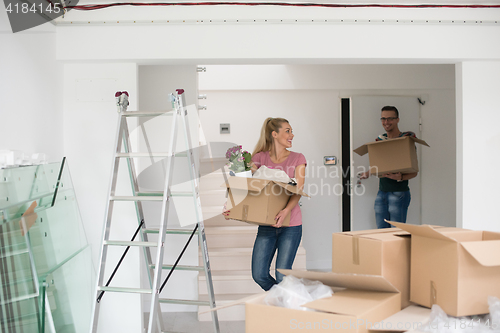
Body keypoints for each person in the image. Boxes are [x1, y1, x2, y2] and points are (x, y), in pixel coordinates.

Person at [223, 117, 306, 291]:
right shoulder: (260, 158)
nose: (292, 135)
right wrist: (232, 205)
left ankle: (282, 309)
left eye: (291, 131)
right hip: (267, 224)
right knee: (259, 274)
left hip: (290, 224)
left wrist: (285, 211)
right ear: (274, 134)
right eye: (288, 131)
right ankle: (285, 299)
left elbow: (298, 190)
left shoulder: (298, 158)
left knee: (282, 275)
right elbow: (245, 186)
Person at [359, 106, 418, 229]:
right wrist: (368, 173)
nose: (386, 122)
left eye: (390, 119)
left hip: (399, 193)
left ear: (397, 120)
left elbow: (414, 172)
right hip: (382, 192)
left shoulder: (406, 141)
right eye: (383, 119)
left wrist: (400, 177)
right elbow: (381, 165)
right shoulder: (381, 141)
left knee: (396, 234)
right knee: (381, 232)